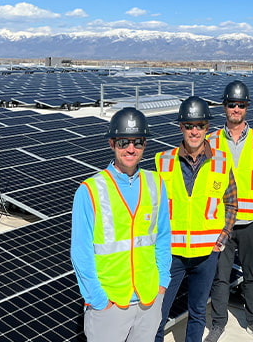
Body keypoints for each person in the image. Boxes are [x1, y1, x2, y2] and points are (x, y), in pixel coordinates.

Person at [71, 107, 172, 342]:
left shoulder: (156, 182)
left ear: (145, 144)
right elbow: (80, 252)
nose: (130, 148)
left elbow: (163, 238)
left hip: (149, 299)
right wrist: (97, 299)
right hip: (110, 303)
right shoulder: (90, 190)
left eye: (138, 142)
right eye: (124, 141)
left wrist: (162, 283)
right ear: (112, 143)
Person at [154, 96, 238, 342]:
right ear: (181, 127)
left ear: (207, 128)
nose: (194, 131)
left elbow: (231, 203)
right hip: (172, 255)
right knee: (159, 314)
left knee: (199, 312)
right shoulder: (163, 161)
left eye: (199, 125)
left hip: (206, 255)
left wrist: (220, 240)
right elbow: (155, 208)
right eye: (189, 125)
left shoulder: (222, 162)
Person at [205, 81, 253, 342]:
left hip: (252, 223)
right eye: (232, 104)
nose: (236, 109)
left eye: (241, 105)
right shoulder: (210, 141)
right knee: (220, 277)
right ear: (224, 106)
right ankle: (218, 323)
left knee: (252, 274)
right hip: (222, 224)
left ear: (247, 108)